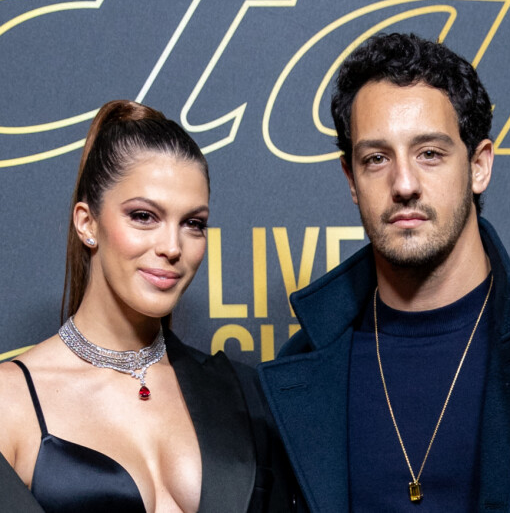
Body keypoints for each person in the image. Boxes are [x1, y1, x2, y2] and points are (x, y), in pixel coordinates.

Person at [258, 33, 510, 512]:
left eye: (429, 153)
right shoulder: (306, 364)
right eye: (376, 159)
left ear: (478, 165)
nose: (404, 184)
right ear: (351, 180)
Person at [0, 100, 294, 512]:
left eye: (193, 224)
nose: (172, 248)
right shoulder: (8, 401)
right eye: (143, 216)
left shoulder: (241, 392)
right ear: (87, 223)